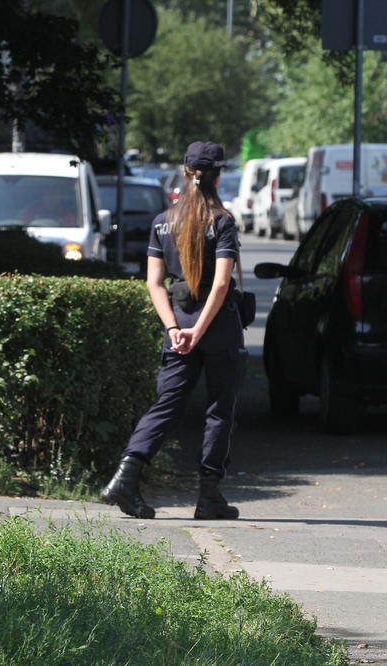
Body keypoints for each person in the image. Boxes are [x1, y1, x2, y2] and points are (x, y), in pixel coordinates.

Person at [101, 140, 247, 521]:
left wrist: (175, 329)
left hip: (178, 327)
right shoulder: (222, 221)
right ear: (217, 175)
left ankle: (126, 478)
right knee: (219, 412)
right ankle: (209, 496)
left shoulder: (162, 221)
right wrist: (200, 330)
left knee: (165, 405)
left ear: (185, 172)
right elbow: (219, 285)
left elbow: (154, 283)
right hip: (217, 329)